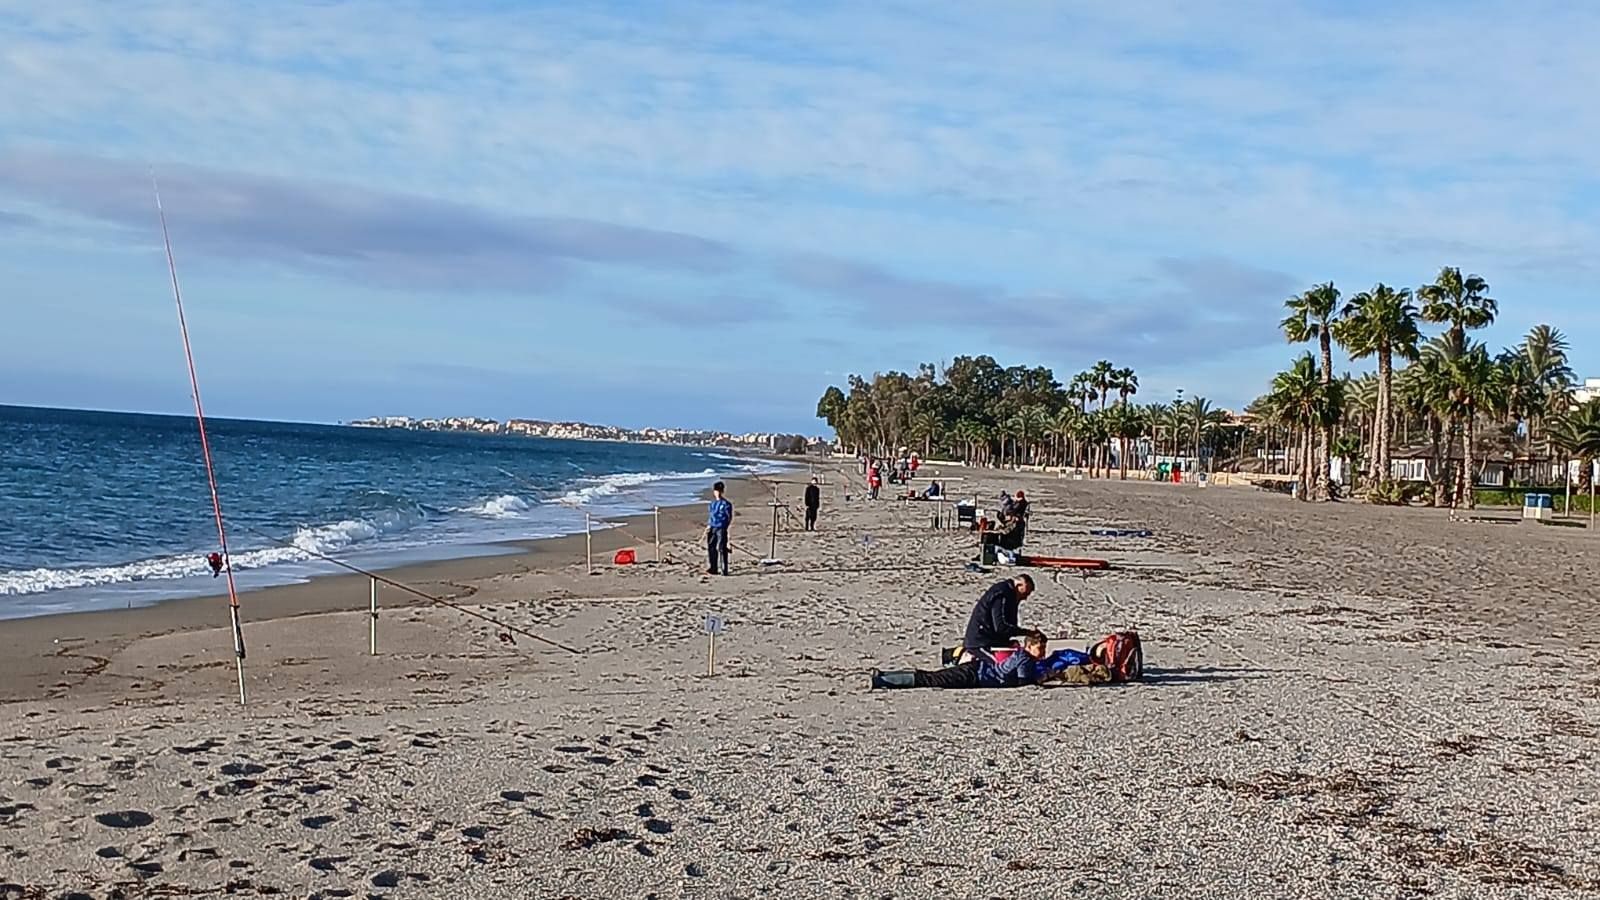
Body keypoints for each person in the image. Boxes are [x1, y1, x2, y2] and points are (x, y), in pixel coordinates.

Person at [871, 631, 1049, 689]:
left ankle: (885, 676)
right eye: (1040, 648)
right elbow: (1023, 683)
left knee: (932, 677)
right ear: (1029, 646)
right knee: (932, 679)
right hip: (976, 675)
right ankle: (883, 680)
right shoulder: (1025, 659)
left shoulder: (1020, 655)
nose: (1042, 652)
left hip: (976, 670)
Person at [962, 574, 1039, 655]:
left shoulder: (1011, 596)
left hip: (994, 641)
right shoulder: (1002, 594)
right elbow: (1001, 627)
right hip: (980, 642)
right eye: (1025, 593)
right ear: (1018, 586)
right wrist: (1026, 632)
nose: (1025, 598)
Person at [705, 482, 733, 575]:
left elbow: (729, 517)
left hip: (721, 527)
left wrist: (725, 526)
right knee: (711, 547)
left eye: (720, 491)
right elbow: (711, 516)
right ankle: (713, 568)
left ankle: (724, 569)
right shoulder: (712, 504)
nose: (718, 493)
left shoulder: (726, 504)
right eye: (717, 491)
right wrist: (709, 525)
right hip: (712, 527)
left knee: (721, 547)